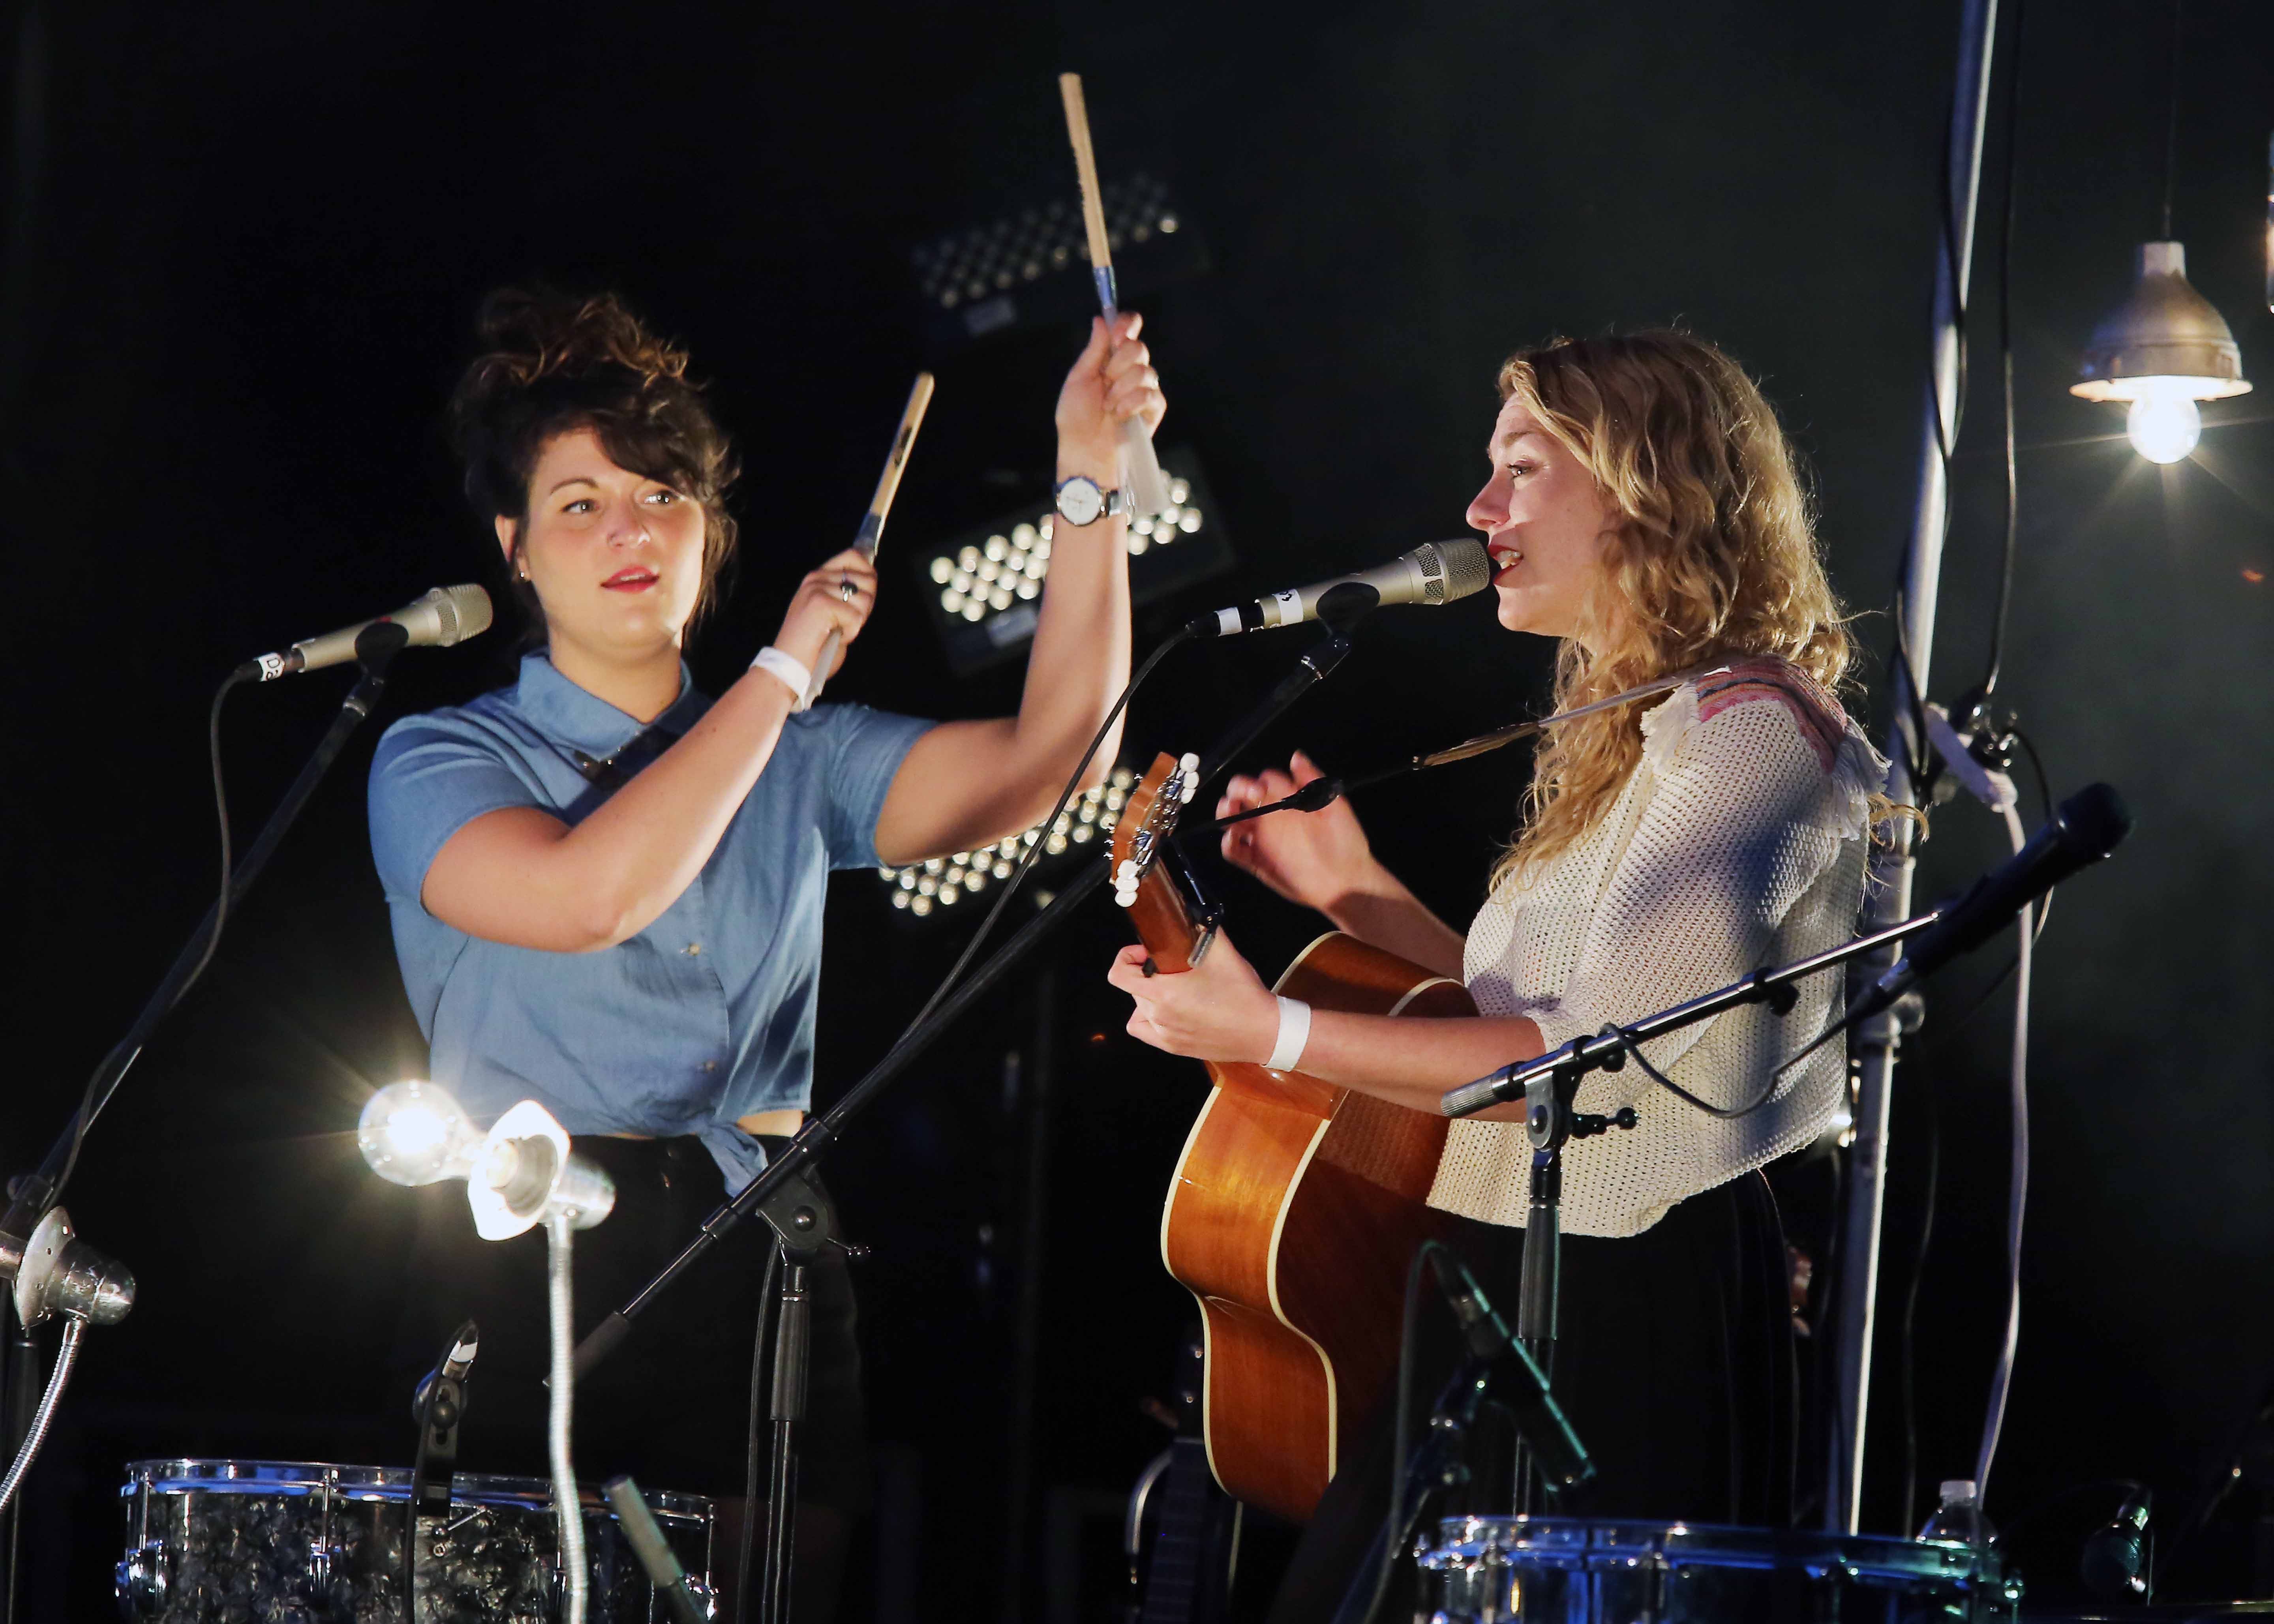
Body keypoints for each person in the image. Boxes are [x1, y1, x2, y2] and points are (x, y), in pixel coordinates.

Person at [368, 287, 1162, 1620]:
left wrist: (1089, 477)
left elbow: (1055, 757)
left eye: (662, 495)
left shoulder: (803, 757)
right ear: (516, 548)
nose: (631, 528)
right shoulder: (441, 755)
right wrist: (778, 679)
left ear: (710, 533)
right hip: (515, 1239)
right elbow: (588, 897)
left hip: (755, 1239)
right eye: (580, 503)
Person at [1104, 330, 1887, 1615]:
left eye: (1521, 467)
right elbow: (1533, 1013)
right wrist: (1356, 894)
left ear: (1647, 486)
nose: (1478, 511)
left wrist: (1272, 1029)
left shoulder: (1758, 737)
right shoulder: (1642, 733)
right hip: (1501, 1275)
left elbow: (1581, 1063)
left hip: (1632, 1287)